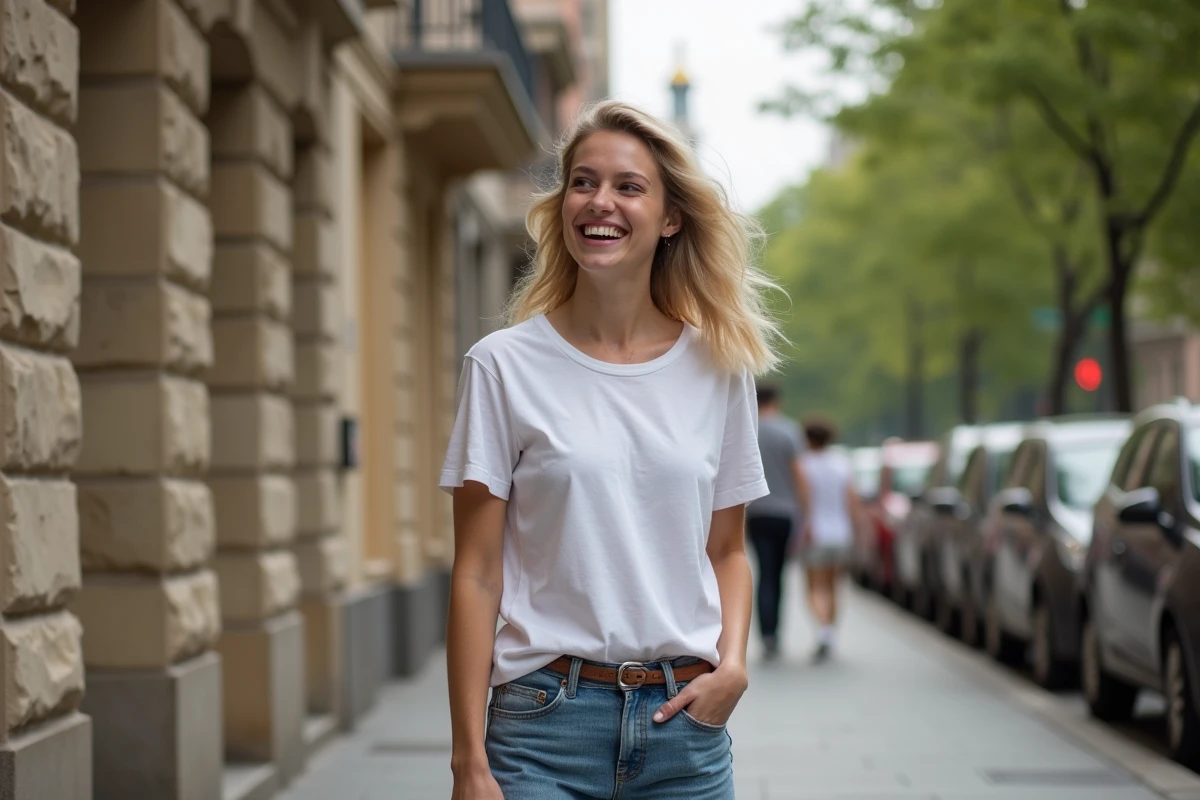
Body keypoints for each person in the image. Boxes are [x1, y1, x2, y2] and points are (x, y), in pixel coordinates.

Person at [440, 100, 783, 799]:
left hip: (685, 729)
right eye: (583, 182)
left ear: (670, 217)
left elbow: (726, 551)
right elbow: (476, 572)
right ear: (563, 203)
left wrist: (735, 665)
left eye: (629, 186)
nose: (601, 202)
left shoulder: (720, 368)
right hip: (541, 730)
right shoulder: (502, 367)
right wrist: (467, 759)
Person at [744, 383, 808, 660]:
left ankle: (766, 634)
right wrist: (805, 514)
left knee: (763, 573)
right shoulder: (790, 430)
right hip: (785, 513)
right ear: (777, 401)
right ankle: (776, 632)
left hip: (755, 512)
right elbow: (799, 475)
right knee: (778, 575)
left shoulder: (748, 428)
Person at [797, 414, 862, 663]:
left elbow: (804, 500)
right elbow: (852, 500)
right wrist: (857, 528)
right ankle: (831, 632)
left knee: (814, 587)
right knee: (834, 586)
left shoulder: (803, 464)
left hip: (815, 532)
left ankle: (823, 630)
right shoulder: (841, 463)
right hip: (840, 532)